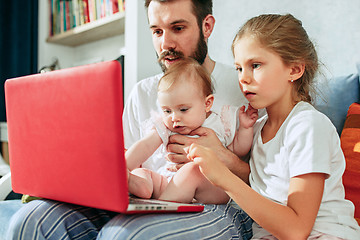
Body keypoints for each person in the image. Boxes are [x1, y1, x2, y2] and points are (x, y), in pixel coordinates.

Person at [6, 1, 255, 239]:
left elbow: (270, 182)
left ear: (207, 26)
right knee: (30, 221)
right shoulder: (143, 92)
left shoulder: (244, 88)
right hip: (149, 196)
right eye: (157, 31)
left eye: (178, 28)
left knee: (126, 234)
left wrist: (224, 158)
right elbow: (127, 160)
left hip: (220, 203)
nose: (165, 42)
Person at [186, 14, 360, 239]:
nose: (243, 78)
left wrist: (224, 178)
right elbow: (269, 184)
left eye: (255, 65)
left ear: (295, 70)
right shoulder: (258, 128)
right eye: (239, 68)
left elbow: (297, 230)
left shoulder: (308, 126)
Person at [127, 58, 257, 204]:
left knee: (192, 170)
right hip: (169, 183)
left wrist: (246, 128)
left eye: (183, 109)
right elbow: (144, 146)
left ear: (207, 104)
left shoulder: (219, 122)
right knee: (142, 173)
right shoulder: (165, 127)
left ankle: (162, 208)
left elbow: (238, 149)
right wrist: (124, 167)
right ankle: (142, 187)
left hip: (210, 186)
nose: (174, 118)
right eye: (167, 111)